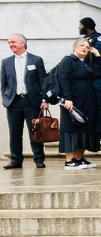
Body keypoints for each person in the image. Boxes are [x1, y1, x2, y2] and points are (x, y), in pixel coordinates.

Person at [1, 33, 47, 169]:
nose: (11, 45)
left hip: (32, 102)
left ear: (23, 43)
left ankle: (39, 159)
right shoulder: (5, 62)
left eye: (13, 42)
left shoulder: (36, 60)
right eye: (9, 43)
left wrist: (44, 99)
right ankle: (16, 160)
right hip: (13, 102)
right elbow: (4, 83)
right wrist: (5, 97)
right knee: (14, 133)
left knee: (35, 132)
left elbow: (43, 81)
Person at [57, 38, 101, 170]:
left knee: (85, 127)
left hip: (87, 98)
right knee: (71, 127)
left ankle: (79, 158)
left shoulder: (86, 63)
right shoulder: (68, 60)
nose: (84, 48)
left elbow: (98, 73)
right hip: (74, 98)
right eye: (82, 45)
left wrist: (97, 57)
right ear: (74, 47)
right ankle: (69, 160)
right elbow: (63, 79)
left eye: (87, 47)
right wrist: (68, 98)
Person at [78, 17, 101, 141]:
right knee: (90, 106)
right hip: (87, 79)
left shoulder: (99, 38)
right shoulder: (83, 40)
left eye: (80, 25)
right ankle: (95, 131)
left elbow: (100, 51)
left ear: (86, 26)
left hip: (98, 78)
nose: (78, 27)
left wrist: (89, 50)